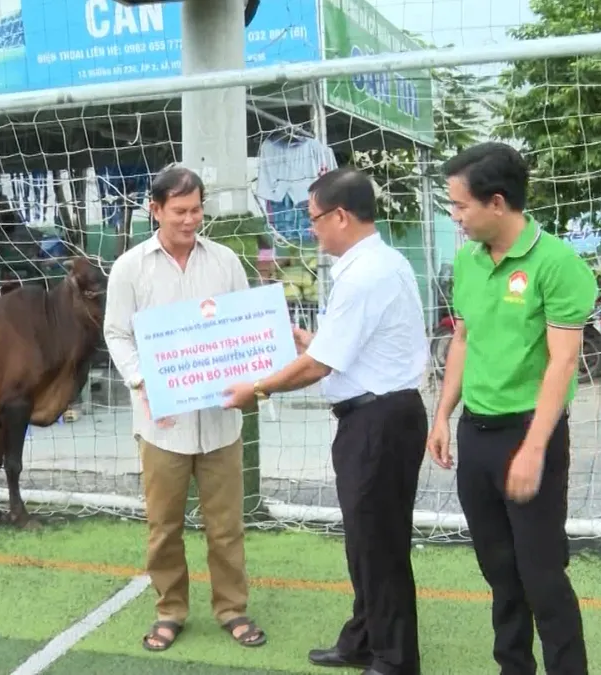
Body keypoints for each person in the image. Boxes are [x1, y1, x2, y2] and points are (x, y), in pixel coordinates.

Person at [223, 167, 428, 675]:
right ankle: (363, 640)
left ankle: (394, 659)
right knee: (368, 540)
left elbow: (320, 367)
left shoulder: (364, 275)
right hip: (382, 414)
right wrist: (306, 340)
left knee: (377, 543)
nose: (310, 228)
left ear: (340, 215)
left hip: (378, 422)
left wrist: (258, 387)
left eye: (314, 218)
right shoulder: (383, 262)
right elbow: (349, 352)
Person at [427, 142, 594, 675]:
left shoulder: (558, 264)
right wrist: (442, 415)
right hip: (477, 434)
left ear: (497, 203)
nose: (454, 218)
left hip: (530, 433)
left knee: (542, 575)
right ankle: (512, 667)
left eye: (460, 206)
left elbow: (562, 364)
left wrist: (534, 449)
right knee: (499, 569)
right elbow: (463, 341)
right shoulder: (467, 262)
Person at [103, 164, 267, 653]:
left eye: (197, 209)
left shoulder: (224, 262)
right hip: (161, 425)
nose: (191, 220)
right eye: (180, 211)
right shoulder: (131, 267)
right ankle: (170, 609)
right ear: (155, 210)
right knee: (164, 526)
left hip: (220, 421)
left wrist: (253, 372)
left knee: (226, 525)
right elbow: (116, 332)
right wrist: (141, 379)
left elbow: (245, 326)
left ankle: (232, 608)